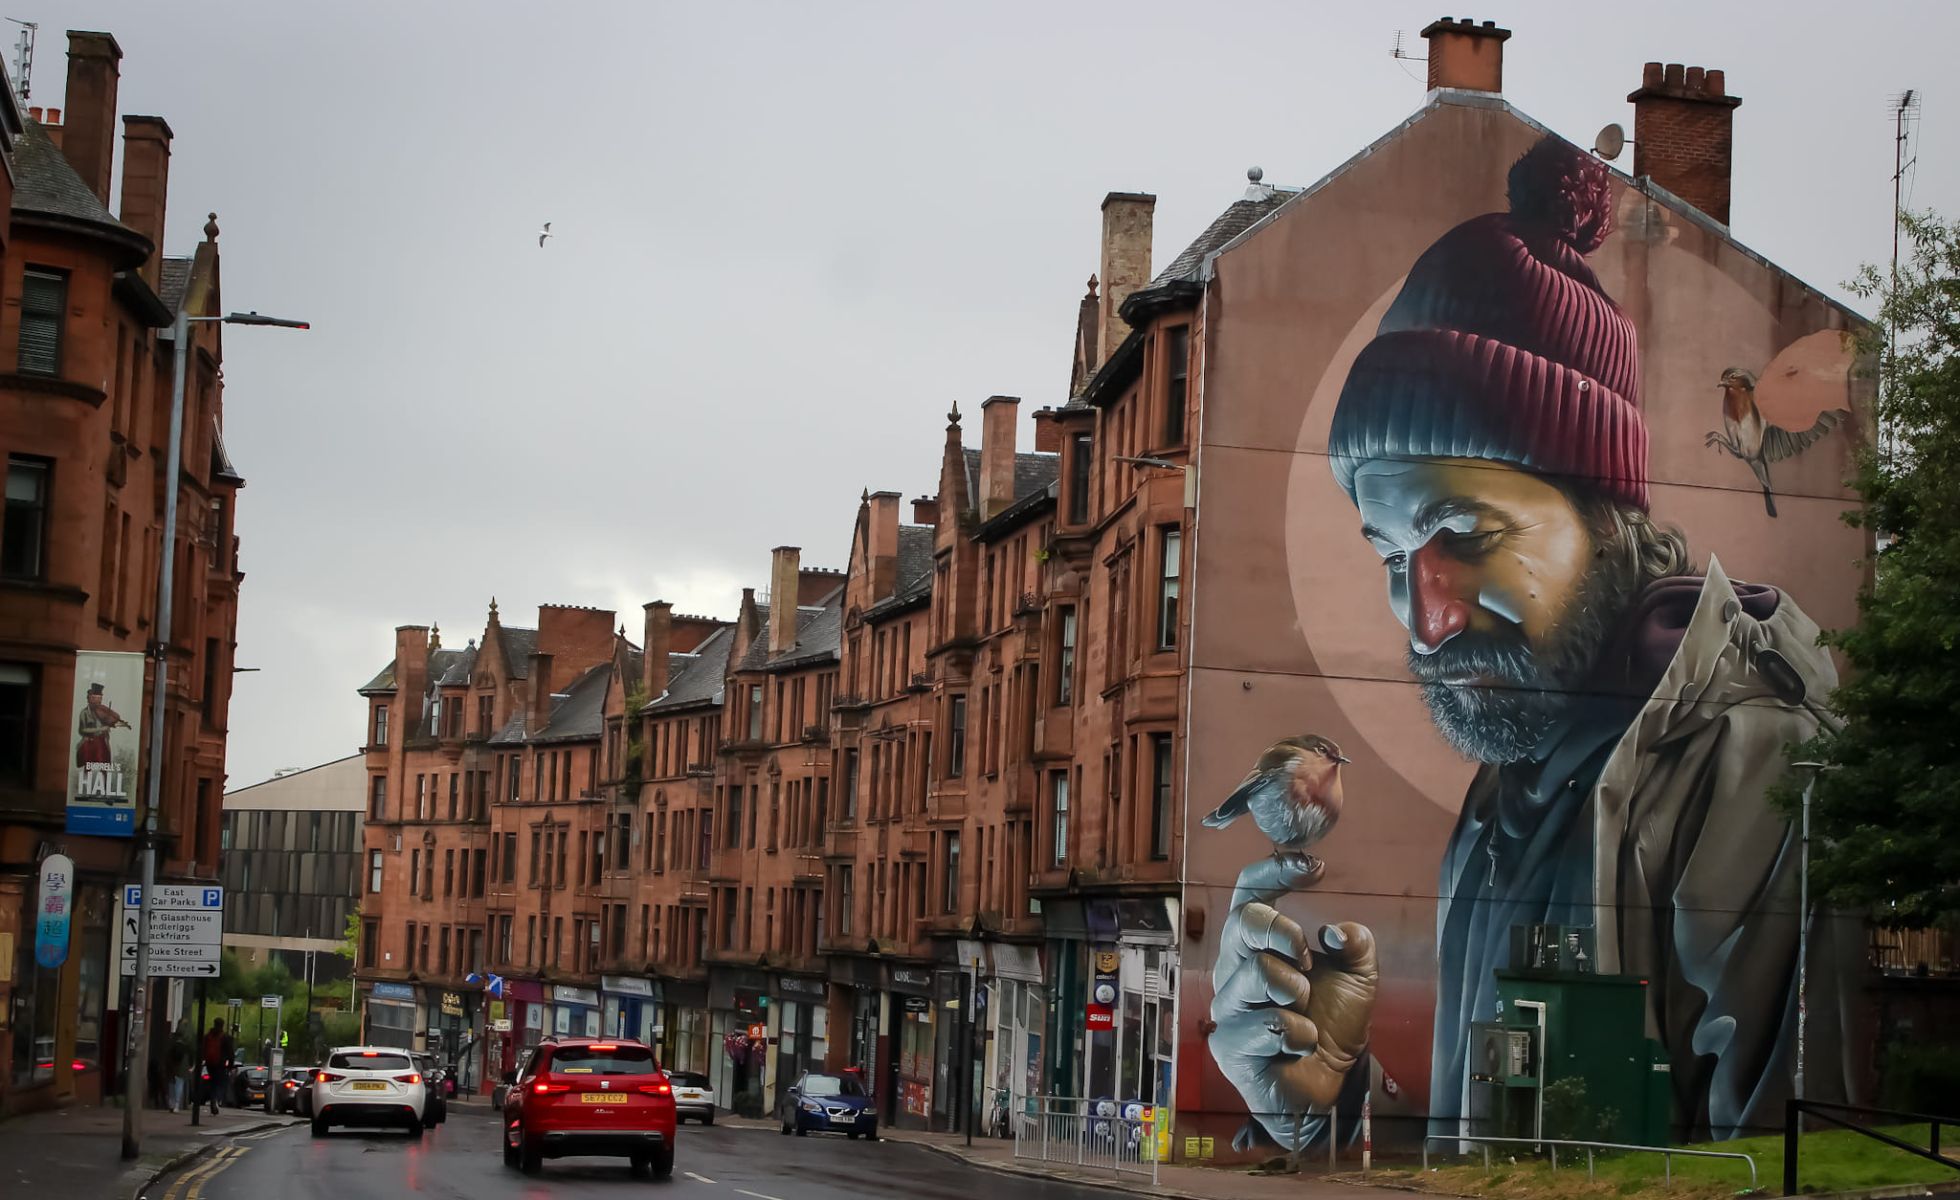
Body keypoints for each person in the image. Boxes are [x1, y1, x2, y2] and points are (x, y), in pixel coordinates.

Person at [1210, 134, 1856, 1147]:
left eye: (1463, 535)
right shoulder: (1515, 779)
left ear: (1606, 515)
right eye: (1389, 555)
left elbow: (1801, 1167)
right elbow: (1486, 1144)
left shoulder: (1759, 759)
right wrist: (1323, 1111)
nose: (1425, 618)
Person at [201, 1018, 235, 1115]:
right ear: (222, 1025)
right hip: (220, 1064)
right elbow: (230, 1053)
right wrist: (230, 1066)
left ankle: (213, 1098)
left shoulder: (207, 1036)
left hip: (209, 1063)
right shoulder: (225, 1037)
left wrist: (203, 1060)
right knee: (222, 1083)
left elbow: (203, 1049)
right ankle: (216, 1099)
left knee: (212, 1083)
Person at [165, 1021, 190, 1112]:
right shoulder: (187, 1039)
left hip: (172, 1062)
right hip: (182, 1064)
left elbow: (167, 1049)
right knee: (179, 1082)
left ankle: (171, 1102)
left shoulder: (172, 1037)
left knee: (171, 1082)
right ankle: (176, 1103)